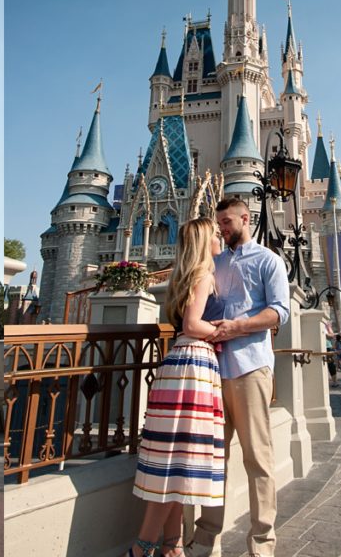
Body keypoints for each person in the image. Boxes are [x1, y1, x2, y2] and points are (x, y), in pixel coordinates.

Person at [185, 198, 289, 557]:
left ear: (246, 218)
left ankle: (262, 544)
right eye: (219, 224)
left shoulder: (269, 261)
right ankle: (205, 538)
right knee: (214, 458)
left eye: (227, 222)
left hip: (249, 368)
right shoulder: (213, 264)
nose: (223, 228)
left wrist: (238, 327)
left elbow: (279, 313)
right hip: (212, 371)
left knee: (257, 458)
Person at [129, 218, 225, 557]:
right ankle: (141, 548)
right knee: (177, 464)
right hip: (194, 365)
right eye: (215, 234)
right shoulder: (204, 276)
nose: (220, 238)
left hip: (179, 363)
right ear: (203, 241)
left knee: (175, 459)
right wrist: (223, 329)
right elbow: (192, 324)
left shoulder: (182, 278)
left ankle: (171, 548)